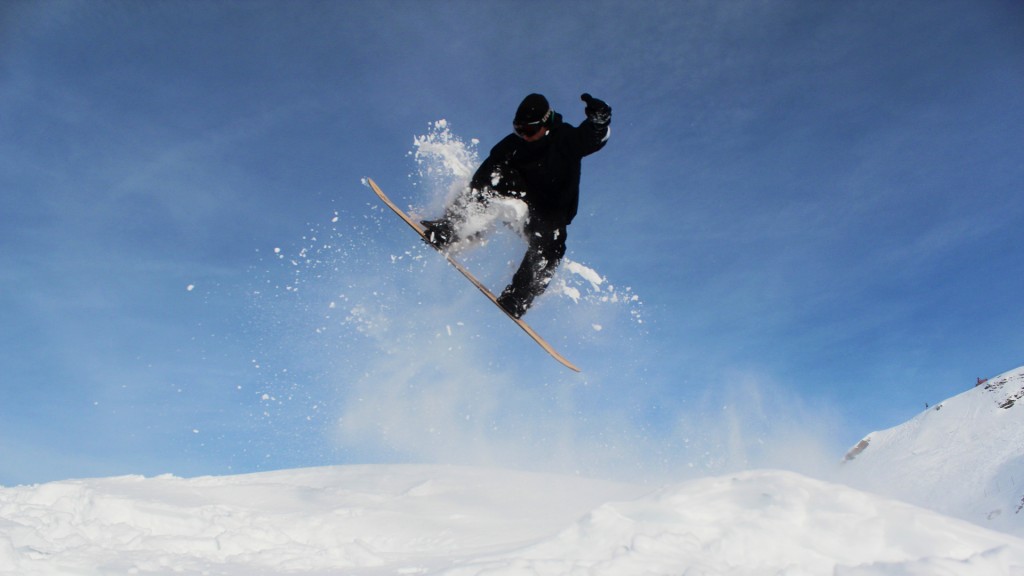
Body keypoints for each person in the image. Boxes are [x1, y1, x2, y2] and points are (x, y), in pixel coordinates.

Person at [420, 92, 612, 319]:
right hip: (519, 198)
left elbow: (591, 139)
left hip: (550, 211)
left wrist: (600, 122)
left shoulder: (565, 139)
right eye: (518, 130)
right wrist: (470, 203)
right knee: (488, 182)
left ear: (545, 122)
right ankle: (452, 230)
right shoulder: (513, 145)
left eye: (529, 130)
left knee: (551, 245)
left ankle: (519, 296)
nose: (524, 136)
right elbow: (482, 178)